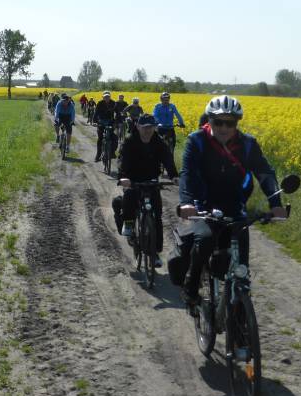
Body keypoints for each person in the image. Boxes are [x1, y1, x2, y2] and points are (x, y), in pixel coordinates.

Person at [177, 95, 286, 307]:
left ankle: (241, 314)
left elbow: (265, 172)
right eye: (218, 122)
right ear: (210, 120)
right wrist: (187, 202)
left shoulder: (248, 144)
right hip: (204, 206)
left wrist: (276, 204)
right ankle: (191, 286)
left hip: (236, 207)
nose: (224, 128)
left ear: (237, 123)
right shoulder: (197, 141)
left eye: (230, 123)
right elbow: (187, 173)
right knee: (205, 240)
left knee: (241, 269)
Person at [114, 114, 178, 266]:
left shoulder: (158, 142)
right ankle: (128, 224)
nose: (148, 130)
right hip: (133, 179)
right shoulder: (130, 141)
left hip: (151, 181)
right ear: (138, 127)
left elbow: (167, 159)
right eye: (145, 127)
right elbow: (122, 160)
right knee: (129, 199)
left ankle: (155, 253)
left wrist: (174, 176)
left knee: (157, 216)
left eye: (151, 127)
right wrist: (123, 177)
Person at [93, 91, 118, 162]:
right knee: (100, 138)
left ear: (110, 97)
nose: (107, 98)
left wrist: (117, 122)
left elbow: (117, 113)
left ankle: (112, 152)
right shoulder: (99, 103)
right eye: (105, 97)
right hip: (101, 121)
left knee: (114, 138)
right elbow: (96, 113)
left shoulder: (114, 103)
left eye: (108, 97)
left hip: (110, 122)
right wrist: (94, 121)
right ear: (103, 97)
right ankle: (98, 155)